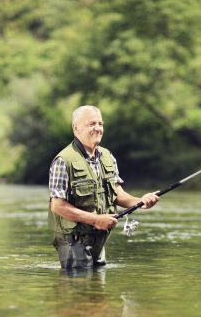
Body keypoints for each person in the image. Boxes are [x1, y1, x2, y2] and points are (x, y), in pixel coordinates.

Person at [48, 105, 159, 269]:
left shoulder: (107, 157)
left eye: (100, 124)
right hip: (73, 240)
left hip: (99, 238)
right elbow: (57, 206)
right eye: (92, 124)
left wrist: (141, 201)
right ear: (76, 128)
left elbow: (117, 194)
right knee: (77, 290)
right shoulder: (63, 160)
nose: (98, 128)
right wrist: (96, 220)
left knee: (98, 291)